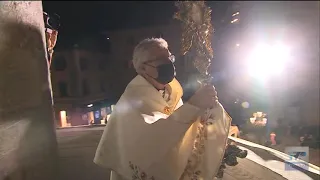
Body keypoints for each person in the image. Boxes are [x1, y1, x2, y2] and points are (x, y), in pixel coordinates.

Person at [94, 38, 231, 180]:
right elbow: (151, 141)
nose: (169, 63)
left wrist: (206, 111)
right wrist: (194, 105)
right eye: (160, 59)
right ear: (143, 68)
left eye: (170, 57)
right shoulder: (132, 100)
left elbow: (181, 128)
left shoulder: (172, 93)